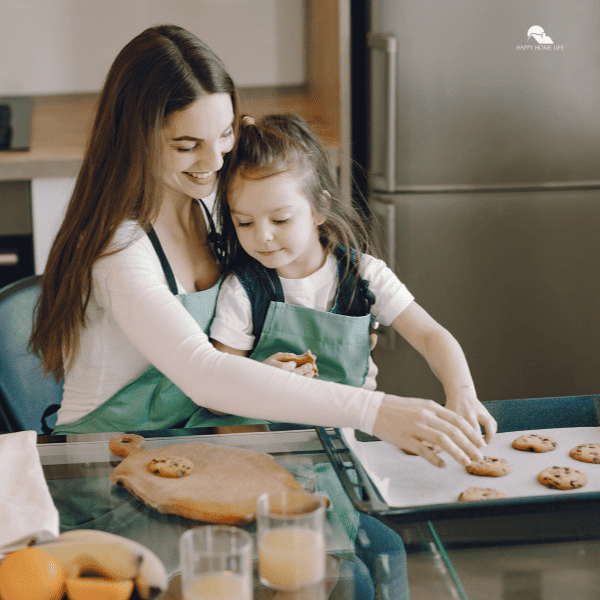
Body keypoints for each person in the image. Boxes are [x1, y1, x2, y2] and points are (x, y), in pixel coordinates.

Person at [27, 24, 492, 600]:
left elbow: (248, 327)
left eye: (223, 134)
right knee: (326, 574)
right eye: (185, 145)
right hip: (111, 472)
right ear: (135, 138)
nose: (214, 160)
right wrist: (376, 410)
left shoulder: (216, 208)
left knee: (360, 557)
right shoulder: (121, 248)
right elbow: (203, 371)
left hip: (204, 452)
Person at [210, 113, 495, 443]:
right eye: (244, 223)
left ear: (319, 209)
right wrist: (259, 380)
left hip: (353, 443)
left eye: (281, 219)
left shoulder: (364, 276)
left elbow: (430, 335)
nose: (263, 236)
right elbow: (217, 395)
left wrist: (463, 394)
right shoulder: (242, 291)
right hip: (269, 452)